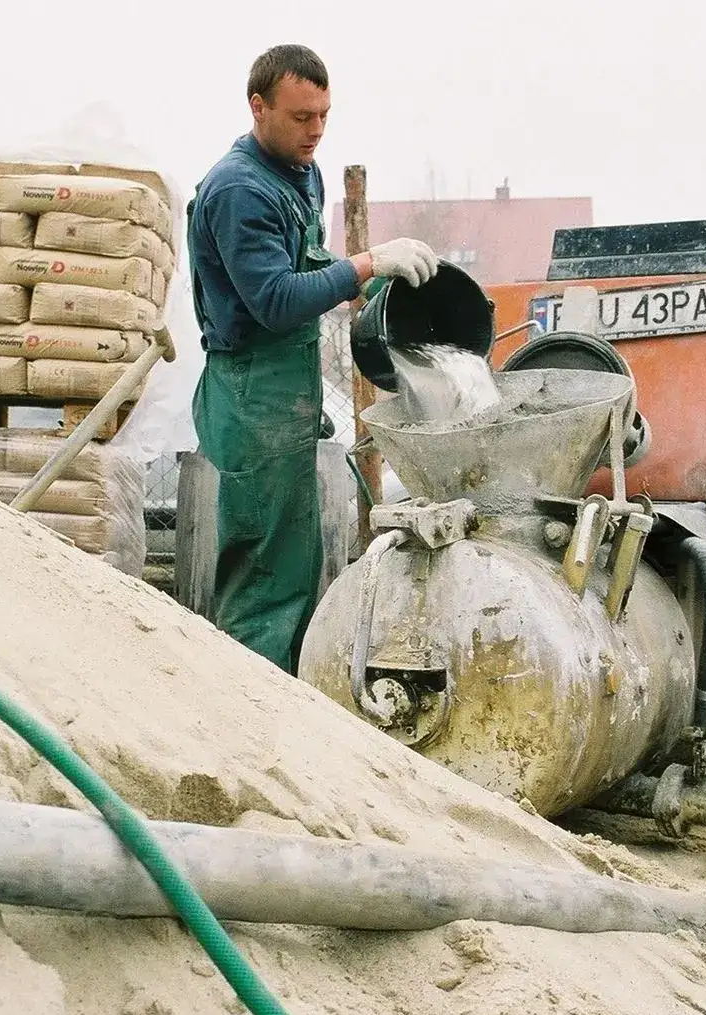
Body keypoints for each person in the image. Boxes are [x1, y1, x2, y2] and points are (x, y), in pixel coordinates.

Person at [187, 43, 436, 674]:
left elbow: (305, 265)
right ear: (258, 106)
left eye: (324, 115)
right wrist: (365, 264)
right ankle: (247, 709)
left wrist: (373, 279)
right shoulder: (239, 190)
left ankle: (290, 708)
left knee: (294, 562)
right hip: (252, 391)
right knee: (265, 572)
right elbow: (273, 299)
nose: (316, 131)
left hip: (287, 389)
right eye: (301, 117)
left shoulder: (300, 170)